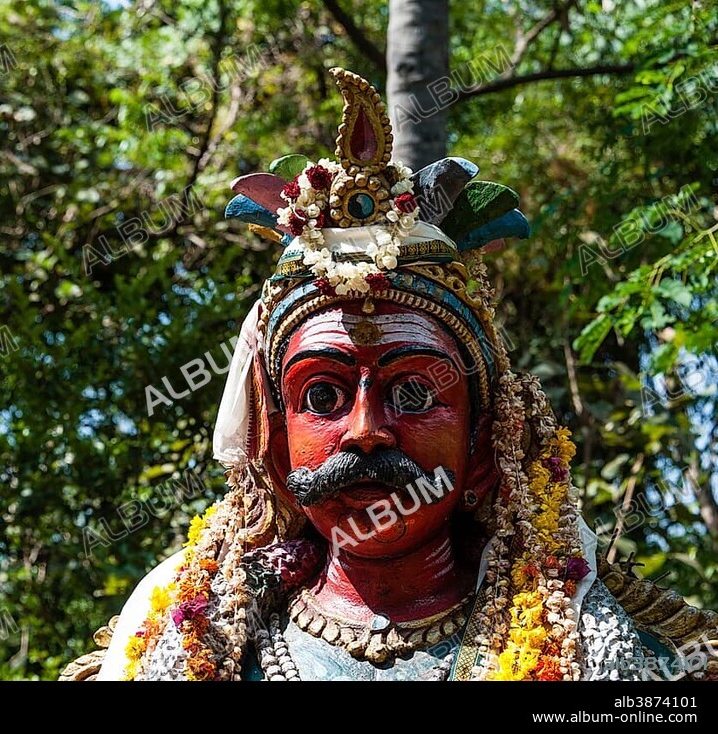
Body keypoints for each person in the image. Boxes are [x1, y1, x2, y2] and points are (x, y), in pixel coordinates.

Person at [62, 68, 718, 681]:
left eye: (414, 392)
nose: (366, 433)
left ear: (484, 439)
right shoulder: (185, 637)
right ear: (273, 441)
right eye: (322, 394)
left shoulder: (605, 645)